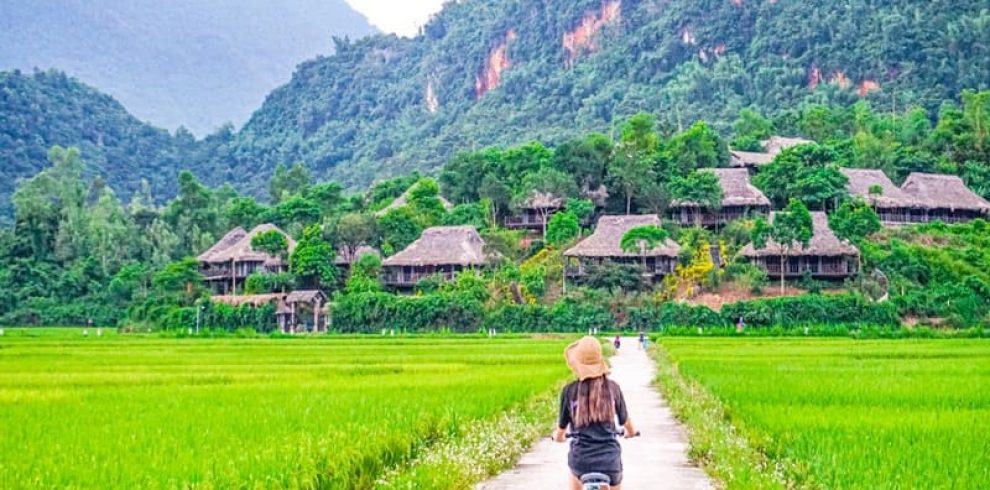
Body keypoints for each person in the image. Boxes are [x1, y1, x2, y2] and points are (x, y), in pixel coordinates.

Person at [554, 336, 636, 490]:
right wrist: (631, 432)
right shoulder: (613, 389)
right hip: (610, 462)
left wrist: (558, 437)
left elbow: (561, 428)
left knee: (573, 476)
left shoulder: (569, 391)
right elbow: (626, 422)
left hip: (580, 462)